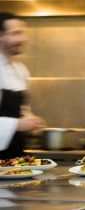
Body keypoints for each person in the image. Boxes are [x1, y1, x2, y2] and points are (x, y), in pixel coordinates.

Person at [0, 12, 45, 159]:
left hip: (14, 155)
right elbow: (17, 122)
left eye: (23, 33)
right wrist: (17, 124)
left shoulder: (20, 69)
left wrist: (30, 123)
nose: (24, 38)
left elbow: (23, 109)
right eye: (16, 33)